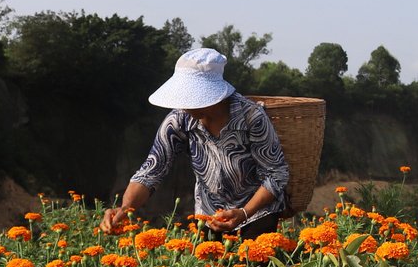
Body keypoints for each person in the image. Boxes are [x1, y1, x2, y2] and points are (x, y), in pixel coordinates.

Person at [101, 48, 290, 238]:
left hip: (257, 212)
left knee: (254, 264)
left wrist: (244, 213)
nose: (187, 105)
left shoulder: (251, 117)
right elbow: (151, 171)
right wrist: (125, 210)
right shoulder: (179, 120)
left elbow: (276, 174)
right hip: (210, 214)